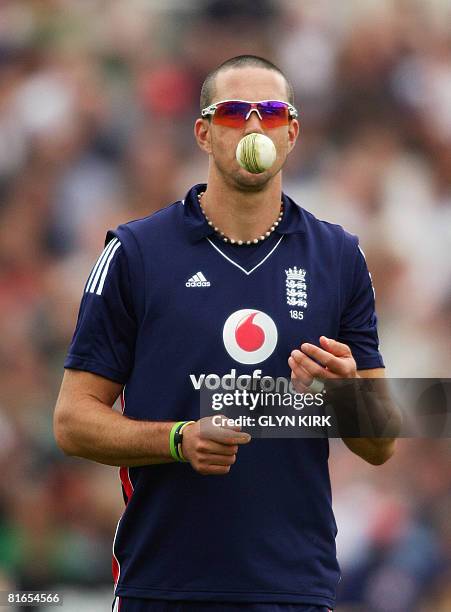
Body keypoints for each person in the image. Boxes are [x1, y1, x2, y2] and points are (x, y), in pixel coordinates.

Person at [54, 55, 396, 612]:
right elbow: (72, 421)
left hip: (293, 587)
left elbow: (380, 444)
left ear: (292, 132)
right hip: (162, 584)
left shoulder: (340, 256)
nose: (254, 127)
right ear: (204, 132)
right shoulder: (136, 253)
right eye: (236, 112)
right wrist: (177, 439)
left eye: (271, 112)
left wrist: (344, 393)